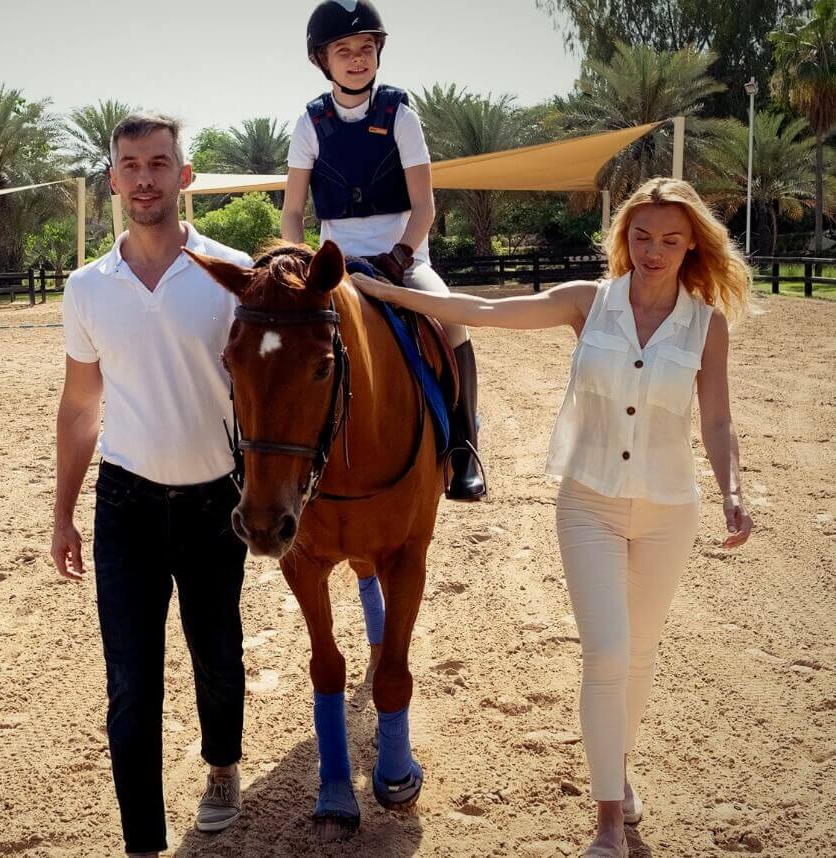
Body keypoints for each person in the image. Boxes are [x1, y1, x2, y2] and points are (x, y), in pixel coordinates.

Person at [352, 177, 755, 857]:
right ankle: (605, 822)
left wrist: (733, 490)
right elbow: (481, 311)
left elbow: (717, 419)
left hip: (668, 509)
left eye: (671, 240)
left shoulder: (706, 323)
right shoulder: (587, 303)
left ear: (693, 246)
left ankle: (617, 766)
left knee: (640, 654)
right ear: (624, 237)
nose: (654, 251)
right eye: (642, 236)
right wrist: (391, 295)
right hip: (589, 502)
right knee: (605, 653)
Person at [50, 113, 251, 856]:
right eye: (130, 164)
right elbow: (79, 406)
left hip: (215, 504)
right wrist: (63, 513)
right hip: (126, 504)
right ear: (112, 179)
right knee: (131, 679)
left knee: (217, 652)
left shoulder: (229, 274)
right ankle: (142, 841)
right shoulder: (86, 288)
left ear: (183, 176)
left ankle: (222, 769)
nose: (144, 178)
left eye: (159, 163)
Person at [281, 0, 485, 500]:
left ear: (378, 53)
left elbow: (425, 208)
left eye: (366, 48)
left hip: (404, 258)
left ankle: (464, 447)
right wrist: (300, 261)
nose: (357, 59)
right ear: (321, 60)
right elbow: (292, 212)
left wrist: (398, 257)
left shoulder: (401, 116)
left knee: (453, 321)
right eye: (344, 50)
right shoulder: (308, 124)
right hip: (336, 264)